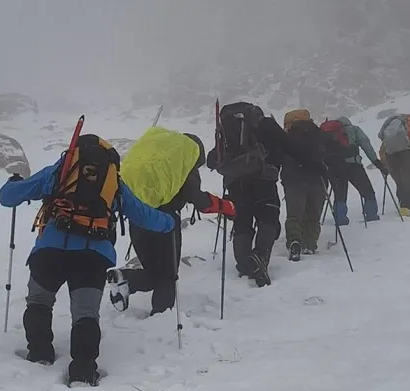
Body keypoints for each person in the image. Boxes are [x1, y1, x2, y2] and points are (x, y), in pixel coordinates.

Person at [0, 134, 175, 386]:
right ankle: (82, 369)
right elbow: (144, 215)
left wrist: (13, 183)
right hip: (93, 255)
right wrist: (169, 222)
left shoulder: (57, 174)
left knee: (39, 301)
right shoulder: (113, 184)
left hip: (50, 250)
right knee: (85, 313)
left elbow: (7, 198)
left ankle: (39, 354)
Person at [105, 127, 236, 315]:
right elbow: (197, 198)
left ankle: (126, 279)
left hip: (138, 217)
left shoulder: (160, 163)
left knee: (153, 273)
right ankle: (161, 318)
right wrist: (224, 207)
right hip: (165, 222)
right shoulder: (183, 166)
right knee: (167, 276)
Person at [206, 101, 313, 287]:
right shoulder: (266, 125)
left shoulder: (227, 134)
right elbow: (290, 146)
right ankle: (259, 258)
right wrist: (313, 165)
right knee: (268, 219)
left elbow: (211, 160)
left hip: (235, 184)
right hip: (264, 180)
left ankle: (244, 264)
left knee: (242, 222)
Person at [281, 109, 330, 260]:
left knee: (295, 214)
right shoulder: (319, 133)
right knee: (313, 214)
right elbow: (332, 153)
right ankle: (310, 243)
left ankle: (295, 240)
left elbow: (279, 156)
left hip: (294, 179)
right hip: (317, 179)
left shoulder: (286, 136)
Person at [320, 116, 384, 225]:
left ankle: (340, 218)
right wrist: (376, 162)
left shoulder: (326, 133)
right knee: (367, 191)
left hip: (334, 167)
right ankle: (371, 215)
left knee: (339, 194)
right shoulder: (354, 129)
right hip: (353, 165)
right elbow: (366, 145)